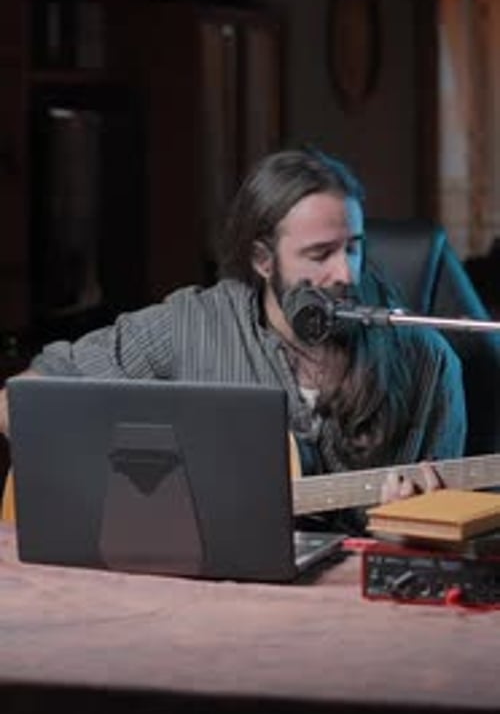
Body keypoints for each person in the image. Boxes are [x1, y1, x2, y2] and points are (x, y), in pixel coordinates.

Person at [0, 148, 466, 527]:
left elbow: (435, 541)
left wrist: (417, 525)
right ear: (263, 261)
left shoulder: (427, 361)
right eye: (320, 254)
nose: (345, 272)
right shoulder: (192, 324)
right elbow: (20, 402)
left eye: (354, 248)